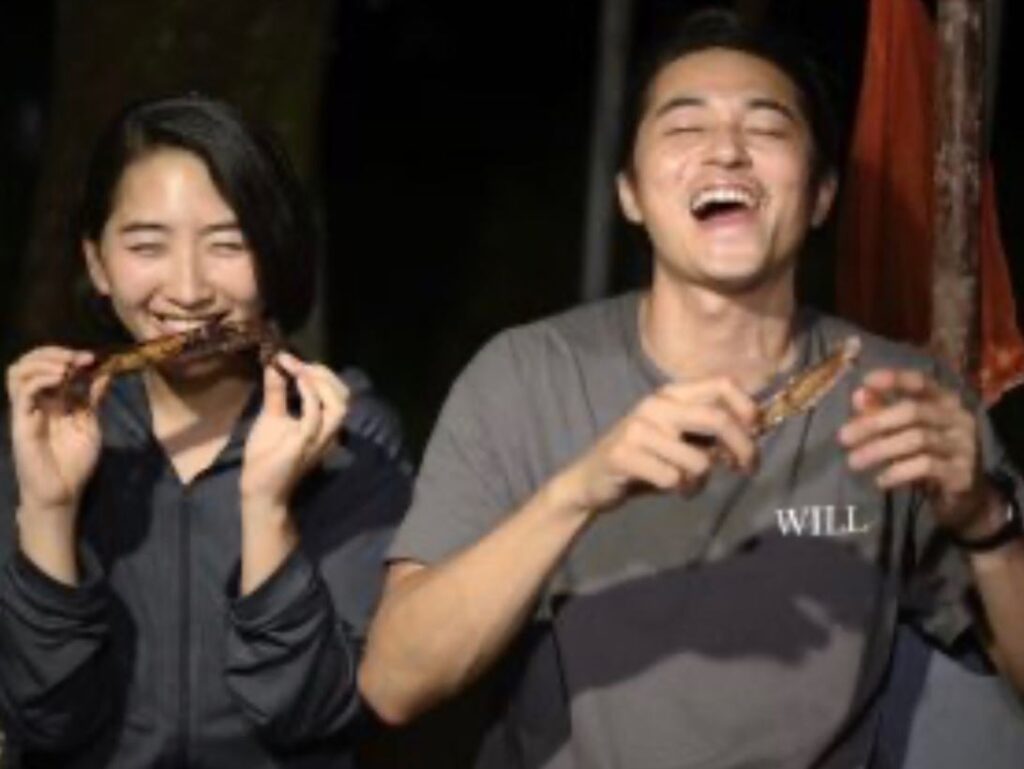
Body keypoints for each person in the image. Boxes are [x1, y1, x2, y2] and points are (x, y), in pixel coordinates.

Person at [358, 10, 1024, 769]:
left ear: (821, 195)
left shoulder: (903, 397)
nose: (727, 150)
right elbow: (394, 684)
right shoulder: (526, 375)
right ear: (630, 194)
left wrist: (985, 520)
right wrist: (579, 490)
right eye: (684, 127)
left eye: (766, 127)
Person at [0, 94, 411, 767]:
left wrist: (267, 508)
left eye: (228, 243)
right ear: (97, 264)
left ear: (274, 255)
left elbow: (314, 715)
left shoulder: (352, 438)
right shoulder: (44, 434)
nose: (189, 289)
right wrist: (48, 509)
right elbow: (45, 719)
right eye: (146, 245)